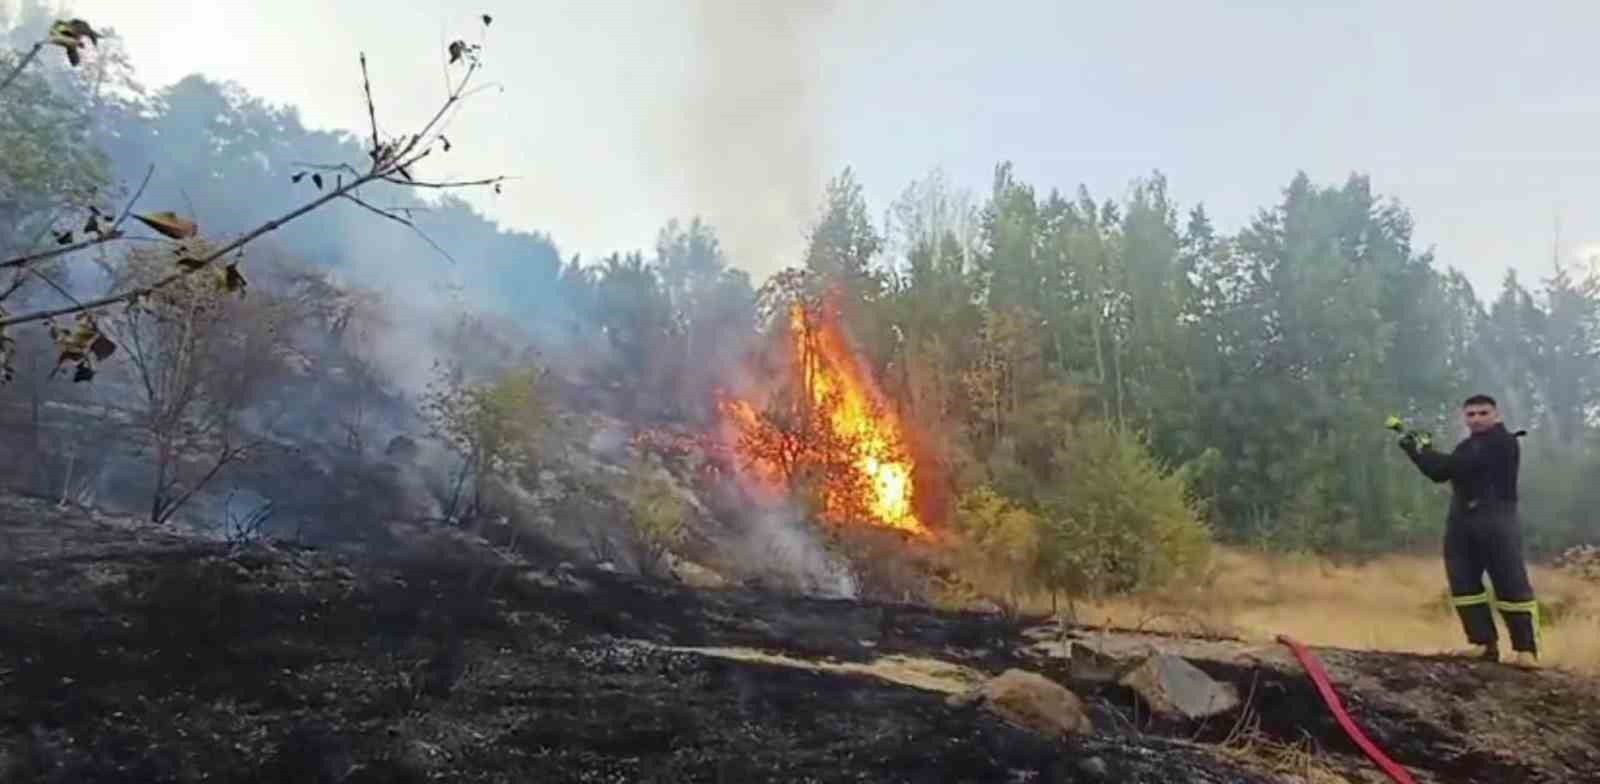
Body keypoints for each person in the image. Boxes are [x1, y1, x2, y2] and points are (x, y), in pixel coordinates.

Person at [1397, 394, 1538, 668]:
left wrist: (1423, 449)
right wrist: (1416, 450)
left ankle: (1526, 650)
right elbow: (1438, 473)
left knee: (1510, 582)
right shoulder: (1465, 446)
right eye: (1471, 414)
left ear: (1496, 415)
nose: (1476, 419)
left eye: (1483, 413)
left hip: (1496, 518)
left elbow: (1448, 467)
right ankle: (1483, 643)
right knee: (1463, 582)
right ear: (1464, 418)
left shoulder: (1504, 442)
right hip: (1462, 519)